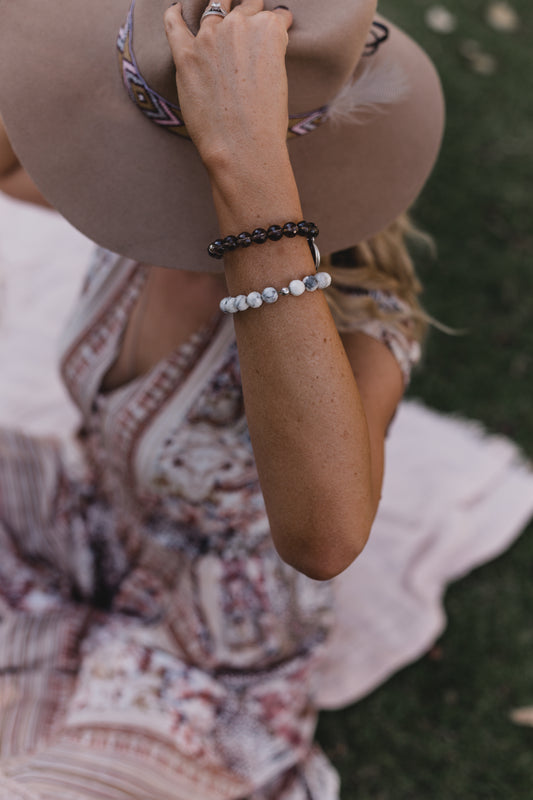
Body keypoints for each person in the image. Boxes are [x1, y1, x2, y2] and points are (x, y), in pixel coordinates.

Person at [0, 1, 531, 798]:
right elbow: (14, 163)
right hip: (91, 523)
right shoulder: (135, 195)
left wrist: (246, 171)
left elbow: (325, 540)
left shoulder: (365, 320)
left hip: (210, 645)